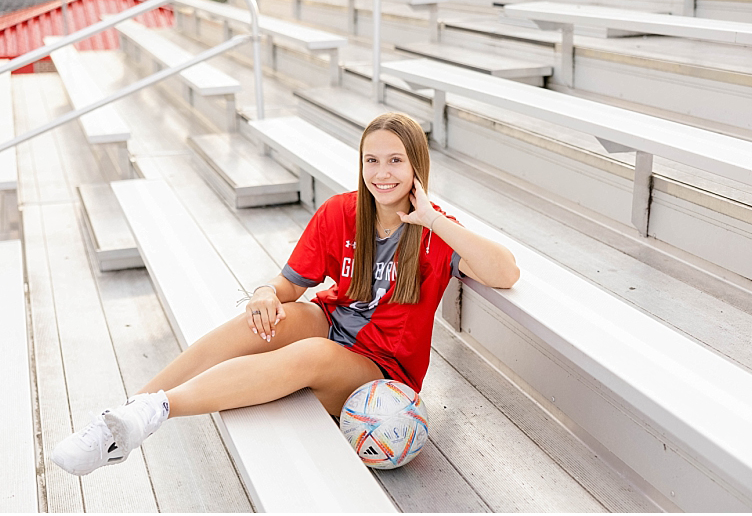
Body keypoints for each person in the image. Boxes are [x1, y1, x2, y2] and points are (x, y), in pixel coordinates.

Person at [52, 112, 520, 476]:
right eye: (371, 160)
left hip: (380, 366)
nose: (382, 173)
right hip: (333, 324)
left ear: (417, 166)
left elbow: (506, 272)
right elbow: (289, 286)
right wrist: (263, 293)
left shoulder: (436, 234)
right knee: (271, 317)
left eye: (396, 160)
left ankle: (159, 409)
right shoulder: (342, 211)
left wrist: (432, 218)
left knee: (314, 353)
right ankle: (127, 415)